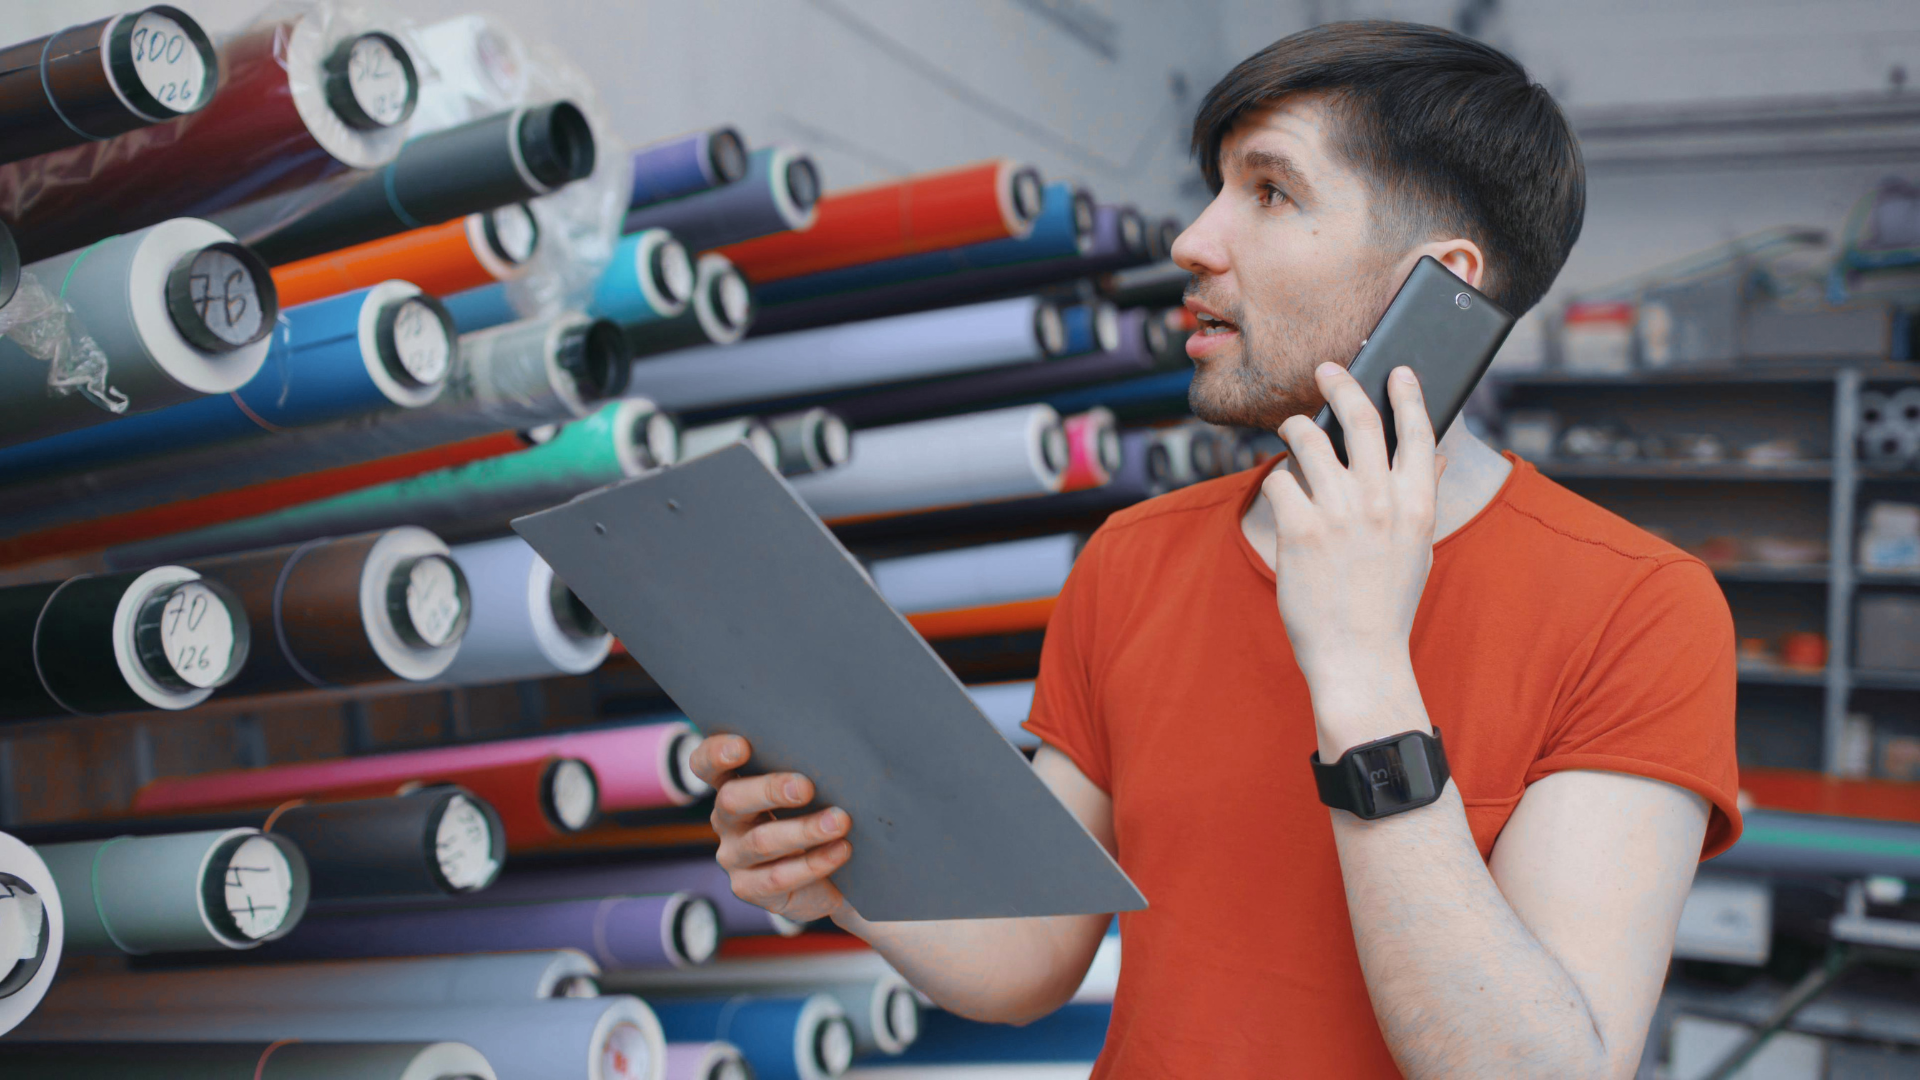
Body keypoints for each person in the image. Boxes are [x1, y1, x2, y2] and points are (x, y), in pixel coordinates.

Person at [690, 20, 1740, 1079]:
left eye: (1270, 192)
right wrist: (841, 875)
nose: (1193, 241)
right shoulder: (1135, 557)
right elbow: (1028, 956)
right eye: (1216, 188)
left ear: (1443, 286)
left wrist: (1363, 667)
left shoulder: (1639, 607)